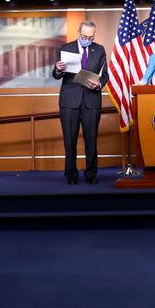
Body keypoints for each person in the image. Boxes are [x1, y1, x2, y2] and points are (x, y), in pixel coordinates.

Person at [53, 21, 109, 185]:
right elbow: (57, 75)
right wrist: (58, 69)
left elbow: (104, 75)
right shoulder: (66, 48)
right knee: (69, 140)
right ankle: (71, 175)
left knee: (91, 140)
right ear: (79, 32)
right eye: (85, 36)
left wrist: (99, 84)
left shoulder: (99, 49)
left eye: (91, 37)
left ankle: (91, 175)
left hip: (91, 100)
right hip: (69, 101)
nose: (88, 39)